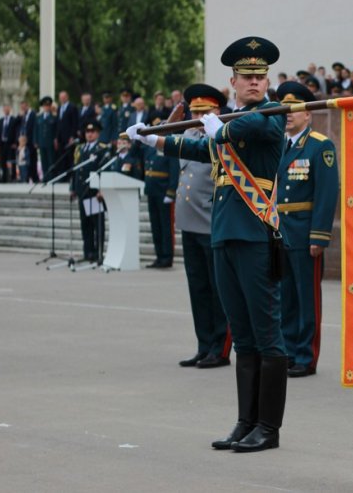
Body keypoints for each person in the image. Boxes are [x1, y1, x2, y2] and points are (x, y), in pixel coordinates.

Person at [127, 35, 288, 453]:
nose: (254, 82)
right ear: (232, 81)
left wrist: (220, 124)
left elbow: (241, 128)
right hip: (224, 238)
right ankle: (244, 422)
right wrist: (154, 139)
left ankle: (268, 428)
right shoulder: (227, 124)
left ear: (266, 80)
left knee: (268, 336)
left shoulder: (271, 115)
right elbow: (200, 147)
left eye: (260, 75)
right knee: (244, 336)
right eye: (246, 77)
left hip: (255, 238)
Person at [274, 81, 339, 378]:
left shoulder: (319, 145)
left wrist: (319, 235)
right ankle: (288, 350)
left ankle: (306, 355)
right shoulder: (280, 145)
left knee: (306, 296)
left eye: (294, 109)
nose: (288, 114)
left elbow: (326, 194)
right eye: (284, 108)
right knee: (285, 296)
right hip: (282, 231)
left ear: (308, 114)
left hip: (305, 232)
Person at [174, 84, 232, 369]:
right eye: (194, 112)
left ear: (216, 112)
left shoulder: (221, 137)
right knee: (197, 288)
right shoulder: (188, 134)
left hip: (211, 223)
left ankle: (219, 348)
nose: (197, 117)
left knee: (217, 289)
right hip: (189, 224)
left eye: (204, 112)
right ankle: (203, 344)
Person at [70, 121, 111, 263]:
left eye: (92, 132)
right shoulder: (80, 149)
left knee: (96, 224)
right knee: (85, 224)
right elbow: (76, 169)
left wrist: (102, 189)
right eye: (87, 132)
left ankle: (98, 253)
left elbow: (104, 170)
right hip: (82, 191)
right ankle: (88, 252)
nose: (89, 134)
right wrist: (72, 188)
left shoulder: (102, 149)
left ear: (98, 133)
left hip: (94, 192)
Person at [142, 116, 179, 268]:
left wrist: (171, 192)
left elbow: (174, 170)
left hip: (164, 191)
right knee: (155, 226)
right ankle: (159, 256)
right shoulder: (151, 147)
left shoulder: (169, 145)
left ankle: (167, 257)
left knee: (165, 227)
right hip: (152, 190)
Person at [0, 105, 19, 182]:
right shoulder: (1, 121)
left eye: (7, 109)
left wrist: (16, 143)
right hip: (2, 144)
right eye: (5, 109)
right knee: (3, 161)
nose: (6, 110)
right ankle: (4, 178)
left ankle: (13, 177)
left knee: (12, 161)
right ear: (3, 110)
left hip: (11, 144)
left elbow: (16, 132)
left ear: (10, 109)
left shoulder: (13, 120)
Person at [36, 97, 57, 181]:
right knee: (43, 161)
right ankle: (45, 177)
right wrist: (36, 141)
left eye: (48, 105)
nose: (46, 107)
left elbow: (56, 130)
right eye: (45, 106)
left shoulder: (54, 117)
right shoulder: (39, 117)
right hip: (42, 142)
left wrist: (55, 139)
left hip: (50, 142)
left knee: (51, 160)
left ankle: (51, 178)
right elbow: (36, 130)